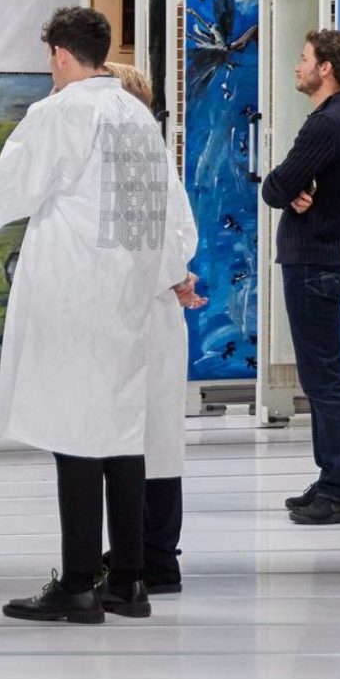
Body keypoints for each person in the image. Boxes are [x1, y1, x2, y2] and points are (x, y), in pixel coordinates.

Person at [0, 8, 198, 624]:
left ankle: (80, 581)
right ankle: (129, 579)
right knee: (120, 435)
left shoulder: (62, 112)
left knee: (76, 435)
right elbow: (166, 211)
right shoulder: (137, 117)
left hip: (76, 292)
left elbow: (11, 187)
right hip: (130, 293)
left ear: (58, 54)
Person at [261, 29, 340, 525]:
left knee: (324, 380)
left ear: (326, 68)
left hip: (314, 264)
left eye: (304, 58)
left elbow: (276, 185)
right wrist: (296, 188)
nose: (297, 66)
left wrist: (288, 188)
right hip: (322, 261)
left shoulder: (326, 124)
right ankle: (331, 480)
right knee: (320, 376)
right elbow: (296, 184)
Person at [107, 60, 201, 593]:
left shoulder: (140, 160)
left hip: (144, 314)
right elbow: (181, 236)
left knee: (147, 442)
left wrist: (173, 276)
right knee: (154, 439)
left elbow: (165, 240)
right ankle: (146, 551)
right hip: (156, 310)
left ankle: (154, 557)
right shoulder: (156, 158)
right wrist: (178, 275)